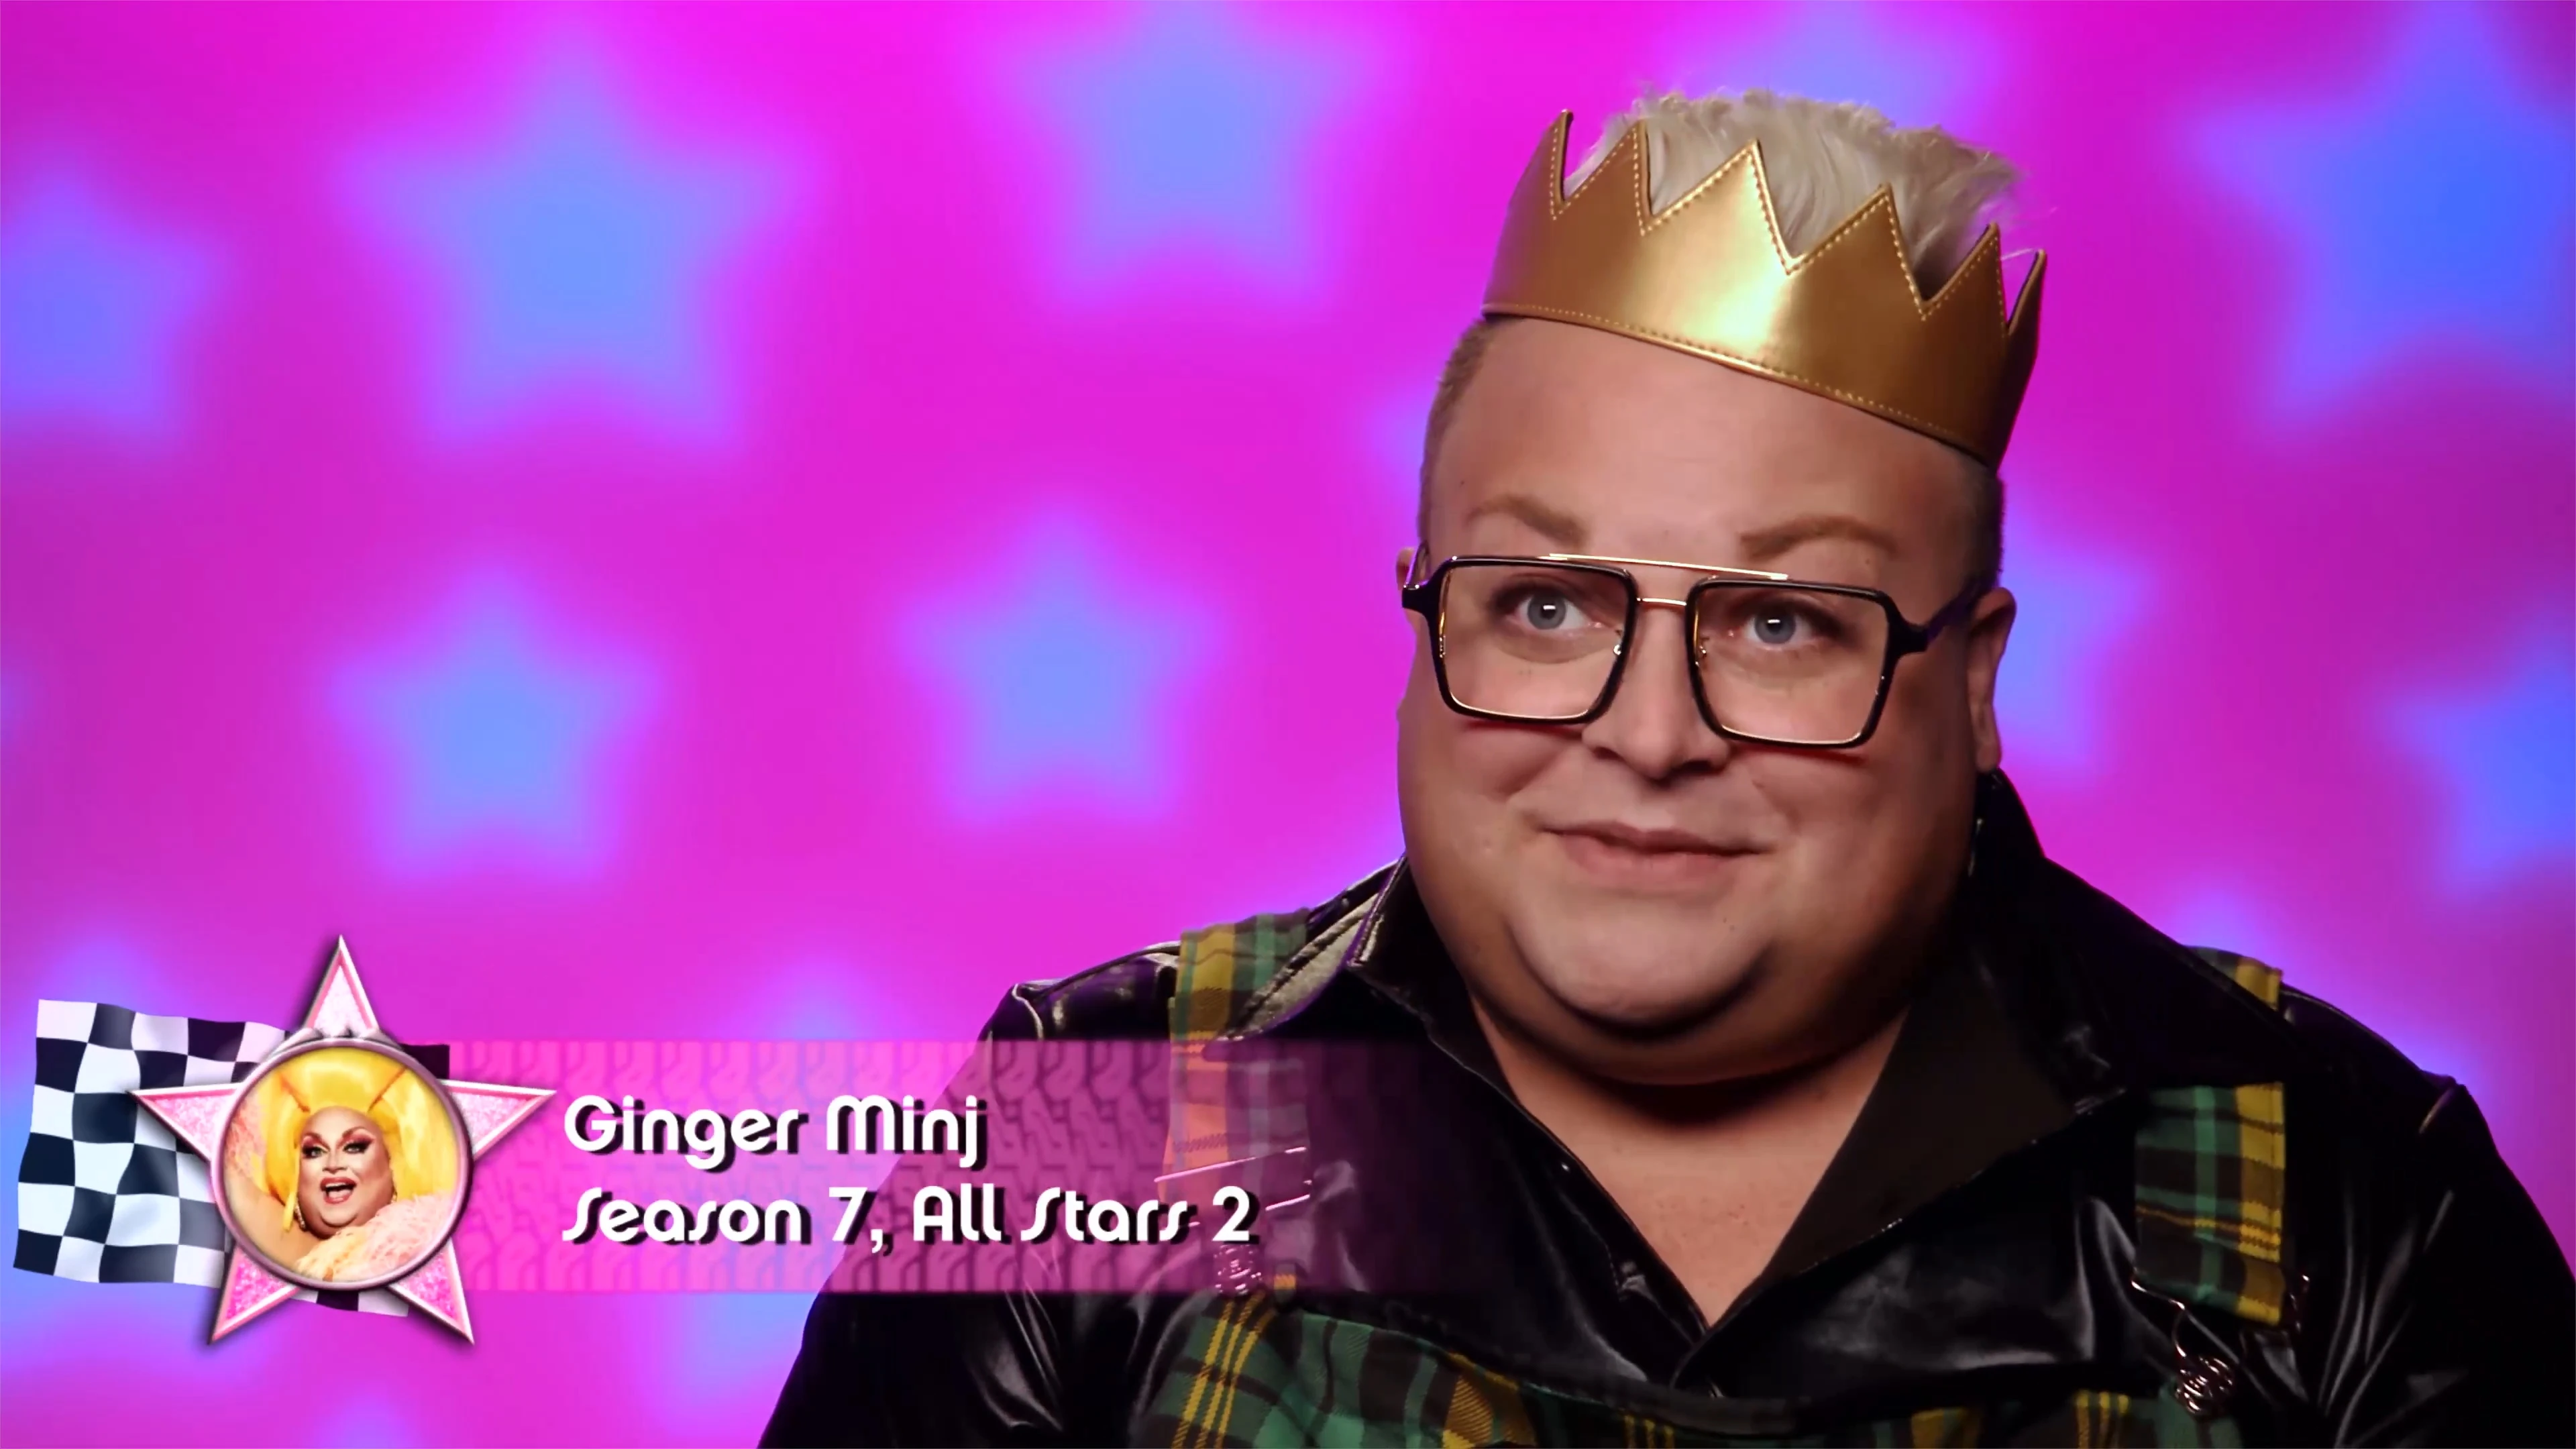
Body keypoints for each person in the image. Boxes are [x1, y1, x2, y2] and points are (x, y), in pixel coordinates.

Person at [765, 91, 2574, 1446]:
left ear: (1972, 684)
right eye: (1546, 604)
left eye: (1780, 623)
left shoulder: (2347, 1192)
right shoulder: (1092, 1123)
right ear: (1422, 617)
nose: (1647, 734)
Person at [225, 1045, 459, 1283]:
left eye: (354, 1147)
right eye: (314, 1151)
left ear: (394, 1164)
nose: (333, 1164)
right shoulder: (259, 1239)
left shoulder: (430, 1246)